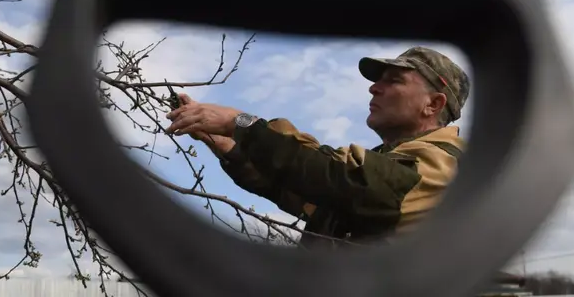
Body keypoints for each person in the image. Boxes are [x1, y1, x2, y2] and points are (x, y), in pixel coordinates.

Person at [165, 46, 470, 248]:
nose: (374, 87)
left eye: (395, 80)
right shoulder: (386, 164)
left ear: (433, 103)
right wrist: (228, 146)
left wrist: (241, 123)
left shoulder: (446, 165)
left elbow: (341, 178)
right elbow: (300, 190)